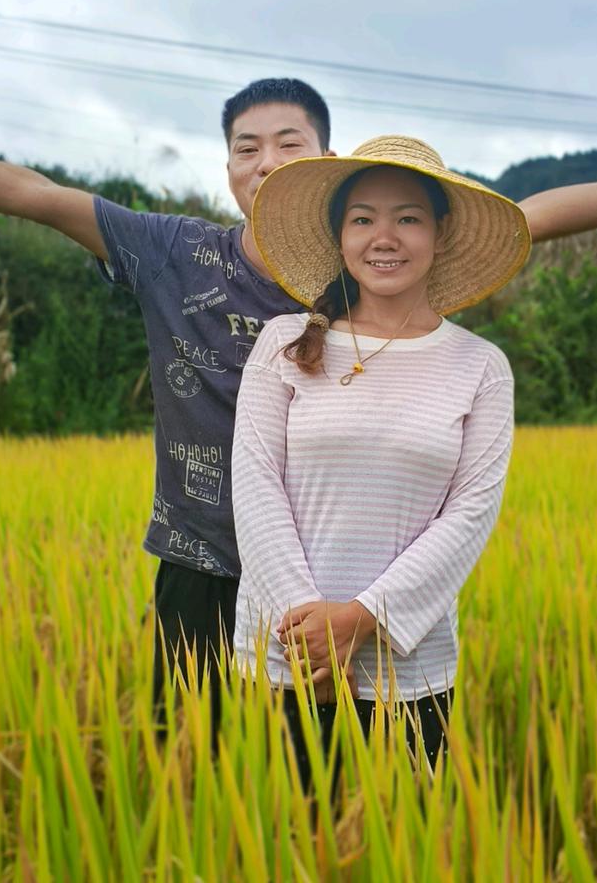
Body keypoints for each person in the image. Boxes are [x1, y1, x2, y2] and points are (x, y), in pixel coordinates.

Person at [0, 78, 597, 716]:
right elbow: (38, 194)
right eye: (245, 147)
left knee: (346, 789)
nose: (265, 161)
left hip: (352, 582)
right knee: (207, 773)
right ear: (227, 167)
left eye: (288, 143)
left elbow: (530, 219)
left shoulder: (372, 259)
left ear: (321, 158)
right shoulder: (173, 252)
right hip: (205, 562)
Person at [231, 135, 526, 776]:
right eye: (362, 218)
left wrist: (362, 618)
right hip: (282, 661)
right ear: (341, 237)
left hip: (407, 670)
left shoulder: (480, 367)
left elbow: (470, 515)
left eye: (408, 218)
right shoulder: (283, 343)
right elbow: (254, 487)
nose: (383, 237)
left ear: (440, 234)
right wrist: (310, 633)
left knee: (403, 847)